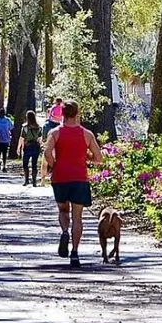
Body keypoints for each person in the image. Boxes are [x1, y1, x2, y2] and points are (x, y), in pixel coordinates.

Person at [44, 100, 103, 267]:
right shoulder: (87, 134)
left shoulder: (55, 133)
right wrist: (87, 158)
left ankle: (64, 231)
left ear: (61, 114)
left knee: (63, 210)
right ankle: (75, 252)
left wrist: (54, 164)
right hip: (79, 178)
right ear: (77, 114)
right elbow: (99, 158)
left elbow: (47, 153)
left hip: (60, 177)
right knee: (78, 217)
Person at [17, 110, 42, 187]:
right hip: (36, 147)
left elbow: (21, 138)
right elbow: (40, 139)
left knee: (25, 164)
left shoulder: (25, 128)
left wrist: (19, 148)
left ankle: (26, 180)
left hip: (27, 146)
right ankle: (34, 181)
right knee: (34, 164)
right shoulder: (39, 127)